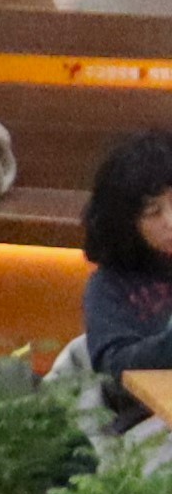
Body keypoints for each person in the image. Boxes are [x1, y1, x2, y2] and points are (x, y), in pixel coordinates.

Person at [80, 131, 172, 376]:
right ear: (127, 223)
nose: (170, 222)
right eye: (153, 213)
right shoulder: (110, 286)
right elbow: (112, 366)